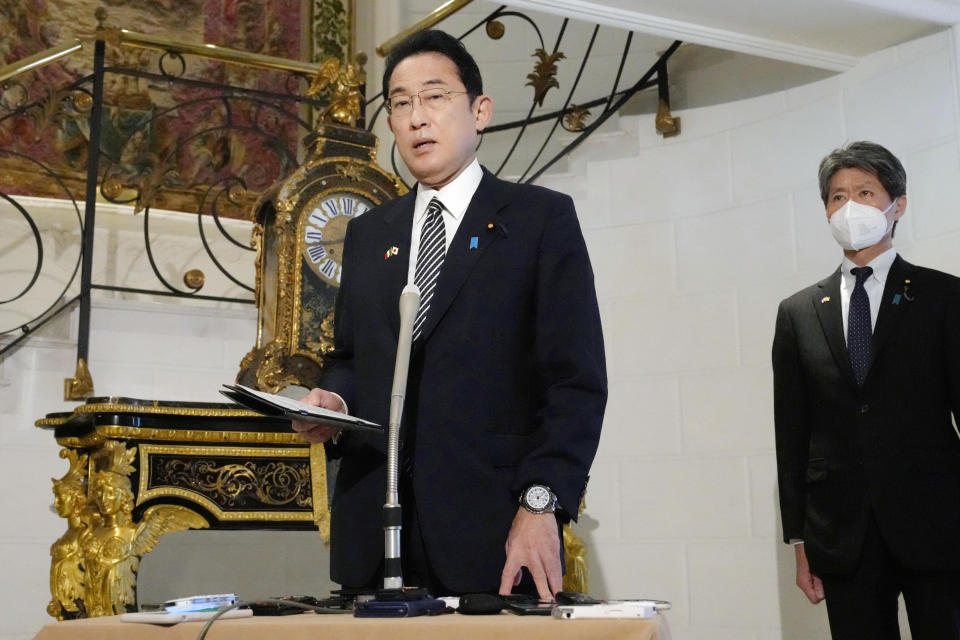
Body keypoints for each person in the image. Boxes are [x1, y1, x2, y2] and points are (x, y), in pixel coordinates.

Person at [292, 30, 606, 601]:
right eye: (400, 102)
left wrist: (540, 503)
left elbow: (575, 384)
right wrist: (333, 402)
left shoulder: (539, 220)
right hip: (377, 534)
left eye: (435, 97)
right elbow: (350, 359)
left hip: (493, 533)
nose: (417, 118)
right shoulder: (369, 233)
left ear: (479, 111)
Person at [772, 141, 960, 638]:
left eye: (865, 192)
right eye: (837, 196)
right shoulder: (797, 312)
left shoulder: (944, 296)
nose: (849, 206)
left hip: (937, 525)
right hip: (841, 533)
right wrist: (799, 540)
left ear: (897, 205)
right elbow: (791, 435)